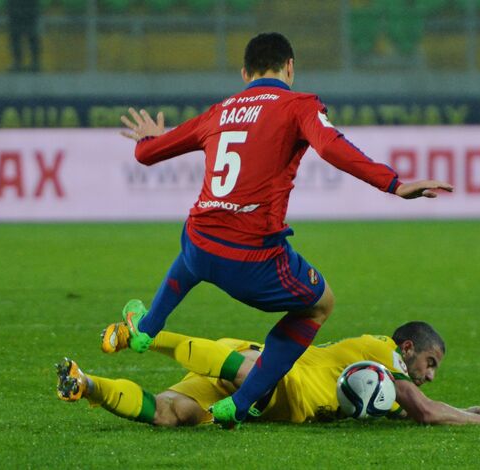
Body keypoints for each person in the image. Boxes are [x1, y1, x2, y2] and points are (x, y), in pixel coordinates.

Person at [117, 32, 454, 428]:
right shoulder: (298, 105)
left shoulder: (220, 110)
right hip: (251, 258)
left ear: (245, 73)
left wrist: (147, 140)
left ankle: (147, 328)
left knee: (193, 249)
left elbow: (146, 153)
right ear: (290, 67)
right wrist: (394, 184)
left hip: (200, 243)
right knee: (320, 302)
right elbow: (330, 147)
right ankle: (241, 403)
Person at [56, 321, 480, 426]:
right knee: (249, 375)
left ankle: (87, 384)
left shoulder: (383, 381)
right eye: (430, 364)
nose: (430, 375)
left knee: (167, 414)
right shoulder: (381, 351)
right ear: (407, 349)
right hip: (270, 374)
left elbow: (420, 408)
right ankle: (143, 334)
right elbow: (424, 411)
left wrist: (462, 410)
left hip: (261, 386)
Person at [6, 0, 41, 72]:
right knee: (16, 37)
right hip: (19, 10)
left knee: (32, 36)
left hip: (28, 10)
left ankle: (33, 62)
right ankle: (19, 62)